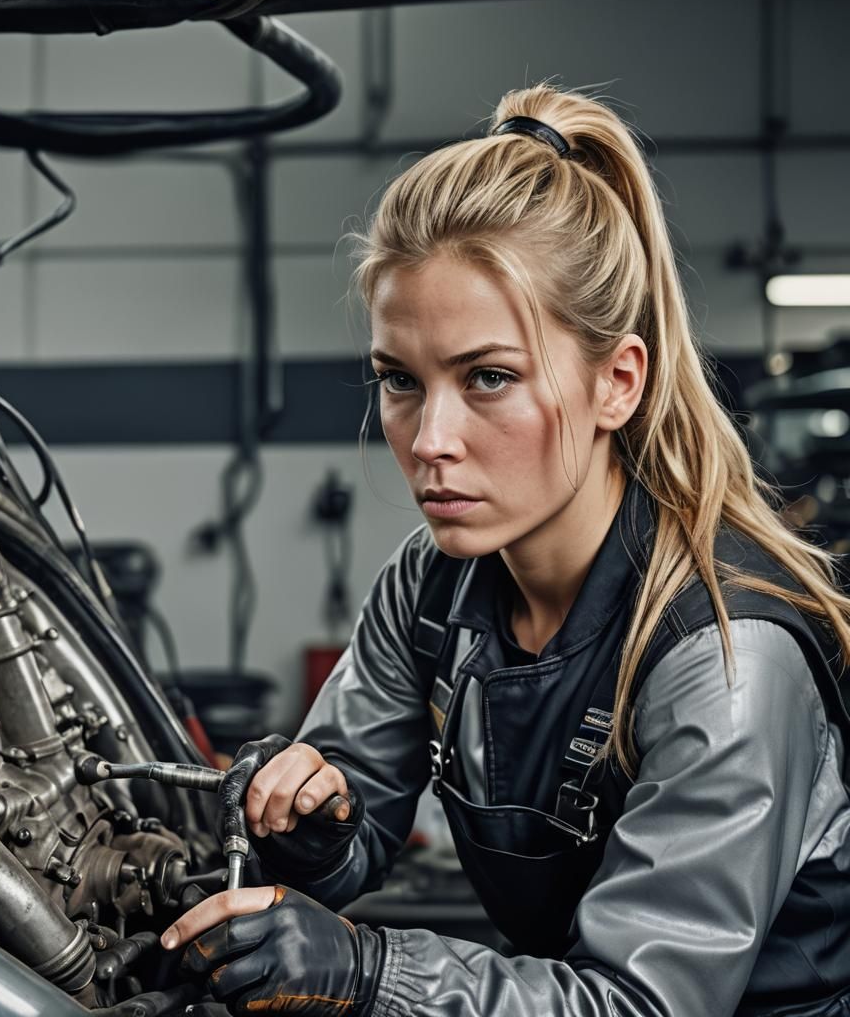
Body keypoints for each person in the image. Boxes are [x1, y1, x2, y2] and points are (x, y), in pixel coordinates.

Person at [160, 83, 850, 1017]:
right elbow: (354, 823)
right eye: (400, 381)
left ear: (617, 383)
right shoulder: (433, 585)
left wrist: (369, 972)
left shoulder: (722, 657)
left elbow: (640, 1005)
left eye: (488, 377)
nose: (430, 437)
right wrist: (312, 827)